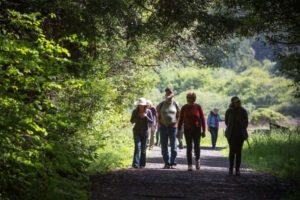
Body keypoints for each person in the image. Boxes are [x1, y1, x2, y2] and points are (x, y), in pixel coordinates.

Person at [178, 92, 206, 171]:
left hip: (197, 129)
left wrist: (204, 130)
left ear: (194, 99)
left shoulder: (198, 107)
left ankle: (197, 160)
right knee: (189, 147)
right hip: (187, 129)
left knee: (197, 146)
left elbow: (203, 119)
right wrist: (178, 130)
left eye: (191, 98)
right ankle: (189, 164)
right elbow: (180, 119)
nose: (189, 100)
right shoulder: (184, 107)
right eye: (188, 98)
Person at [225, 96, 248, 176]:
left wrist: (241, 128)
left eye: (239, 101)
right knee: (232, 151)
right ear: (232, 103)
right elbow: (226, 122)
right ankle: (231, 169)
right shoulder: (229, 111)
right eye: (236, 102)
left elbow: (246, 123)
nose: (238, 103)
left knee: (239, 152)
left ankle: (237, 170)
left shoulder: (243, 111)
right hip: (231, 135)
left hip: (240, 135)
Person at [157, 88, 180, 169]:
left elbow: (178, 115)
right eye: (167, 93)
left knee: (174, 147)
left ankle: (172, 162)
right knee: (164, 147)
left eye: (170, 93)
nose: (168, 94)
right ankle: (167, 163)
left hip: (172, 127)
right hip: (163, 127)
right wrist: (159, 124)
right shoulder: (161, 104)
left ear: (172, 94)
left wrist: (177, 125)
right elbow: (158, 115)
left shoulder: (175, 104)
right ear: (165, 94)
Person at [130, 98, 153, 169]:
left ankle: (142, 164)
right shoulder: (135, 111)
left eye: (142, 105)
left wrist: (146, 117)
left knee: (143, 149)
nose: (141, 106)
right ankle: (135, 164)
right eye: (140, 105)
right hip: (136, 132)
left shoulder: (148, 111)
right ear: (138, 105)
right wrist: (138, 116)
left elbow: (151, 121)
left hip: (145, 133)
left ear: (145, 105)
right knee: (137, 147)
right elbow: (131, 121)